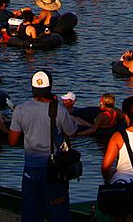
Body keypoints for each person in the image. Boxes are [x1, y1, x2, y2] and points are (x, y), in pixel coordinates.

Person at [8, 70, 79, 222]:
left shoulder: (20, 109)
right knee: (58, 214)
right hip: (54, 169)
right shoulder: (59, 110)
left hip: (30, 168)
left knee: (31, 213)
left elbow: (12, 141)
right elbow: (72, 132)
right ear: (50, 87)